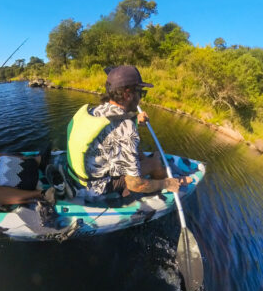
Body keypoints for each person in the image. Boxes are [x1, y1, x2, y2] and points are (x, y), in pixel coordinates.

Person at [66, 65, 188, 200]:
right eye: (141, 93)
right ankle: (165, 185)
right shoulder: (126, 129)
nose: (141, 98)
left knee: (138, 151)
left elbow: (113, 127)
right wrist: (165, 183)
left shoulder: (96, 111)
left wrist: (134, 119)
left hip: (76, 177)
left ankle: (150, 164)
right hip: (94, 188)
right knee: (155, 164)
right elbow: (135, 184)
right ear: (128, 95)